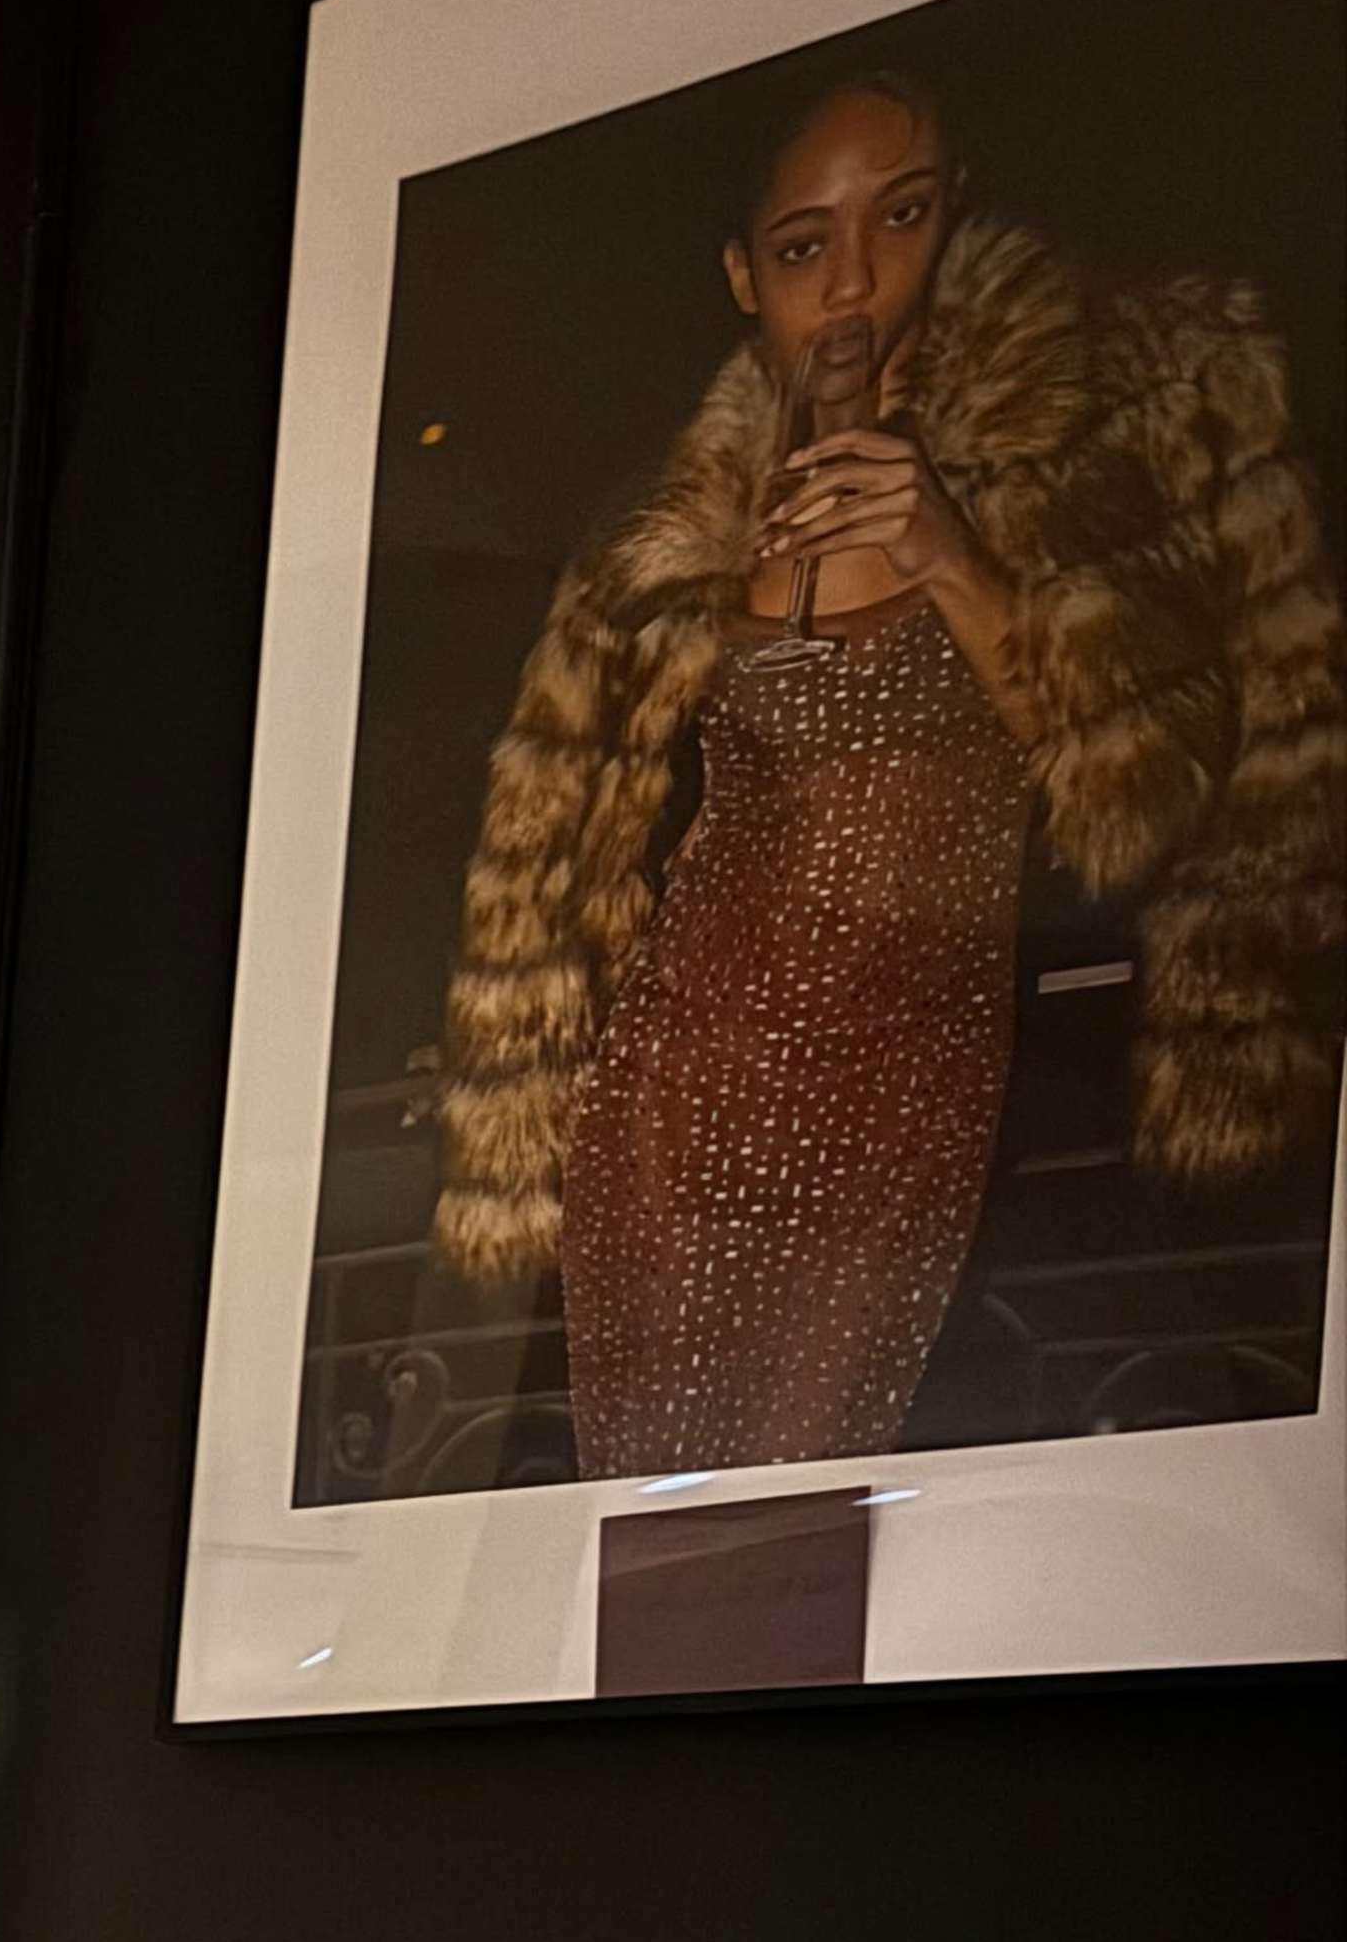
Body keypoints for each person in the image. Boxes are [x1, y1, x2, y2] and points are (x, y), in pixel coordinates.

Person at [432, 73, 1346, 1477]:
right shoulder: (668, 524)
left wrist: (951, 560)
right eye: (804, 246)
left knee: (819, 1510)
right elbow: (580, 853)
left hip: (912, 1082)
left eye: (901, 217)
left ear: (956, 214)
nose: (855, 280)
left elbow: (1152, 802)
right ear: (745, 273)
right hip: (674, 1095)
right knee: (665, 1536)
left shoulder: (1073, 453)